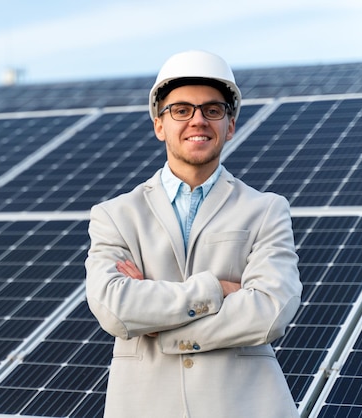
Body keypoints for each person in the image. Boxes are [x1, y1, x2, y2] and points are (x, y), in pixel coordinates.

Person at [85, 50, 302, 418]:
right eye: (181, 110)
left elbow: (269, 310)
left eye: (212, 110)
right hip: (144, 406)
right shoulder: (115, 215)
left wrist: (158, 328)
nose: (197, 120)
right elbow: (116, 310)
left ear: (230, 126)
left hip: (247, 406)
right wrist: (216, 289)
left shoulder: (266, 209)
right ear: (159, 125)